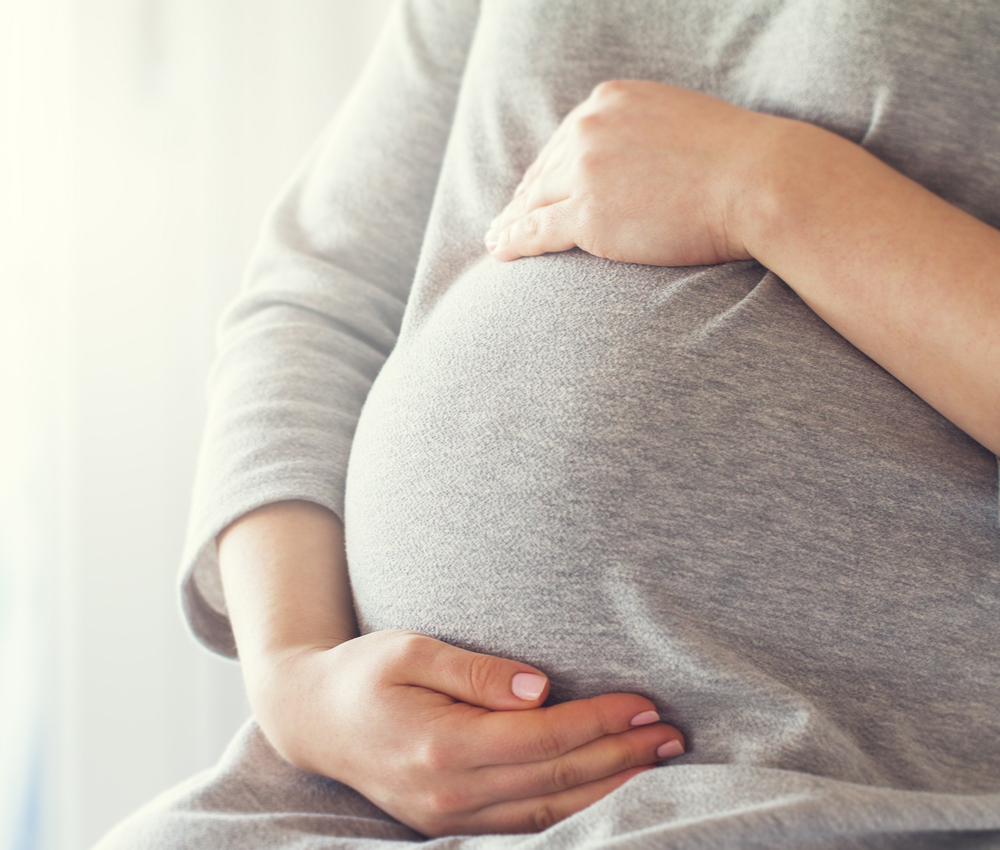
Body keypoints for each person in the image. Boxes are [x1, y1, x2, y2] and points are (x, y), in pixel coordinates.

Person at [95, 0, 1000, 846]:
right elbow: (321, 294)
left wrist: (769, 187)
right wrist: (294, 677)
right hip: (366, 797)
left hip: (852, 792)